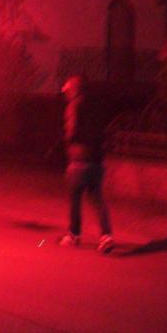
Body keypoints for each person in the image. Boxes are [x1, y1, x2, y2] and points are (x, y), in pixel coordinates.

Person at [58, 75, 115, 254]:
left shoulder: (74, 105)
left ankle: (74, 235)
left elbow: (72, 131)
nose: (66, 94)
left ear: (73, 89)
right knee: (97, 198)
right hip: (97, 159)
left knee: (75, 197)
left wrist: (68, 140)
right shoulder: (96, 106)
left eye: (67, 91)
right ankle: (106, 236)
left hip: (80, 159)